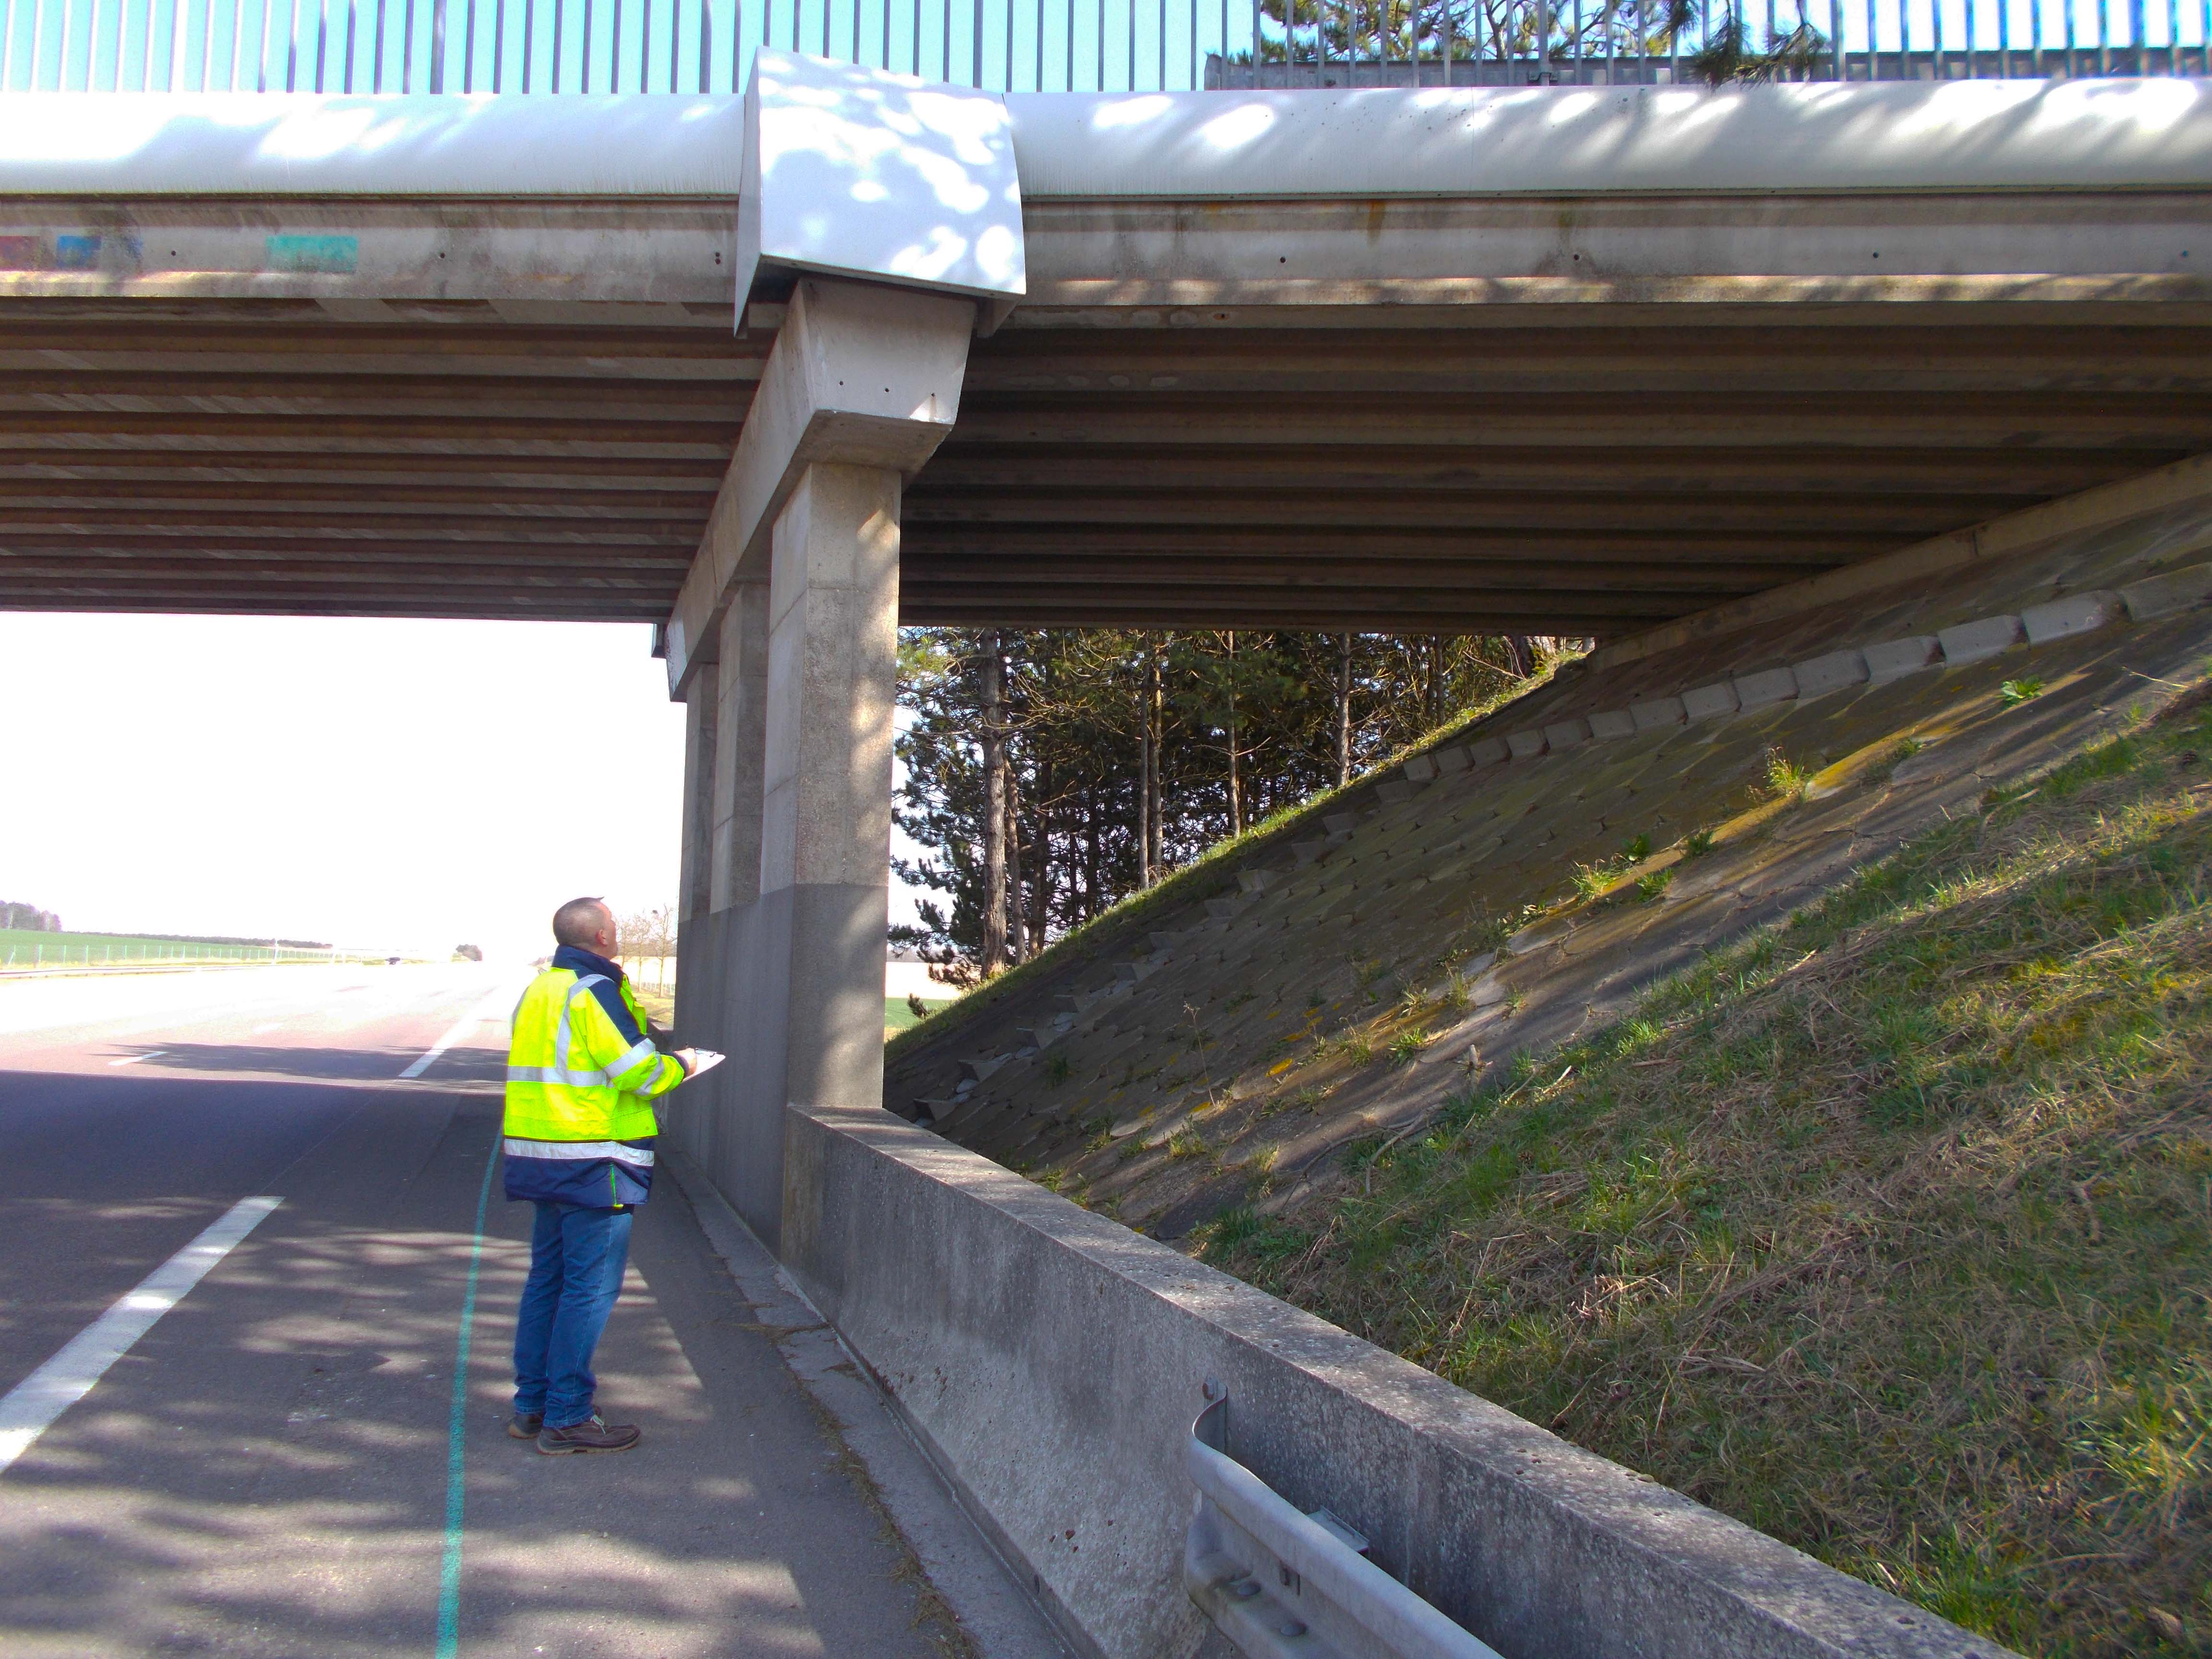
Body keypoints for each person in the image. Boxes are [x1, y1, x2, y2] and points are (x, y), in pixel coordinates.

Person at [503, 896, 699, 1455]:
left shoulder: (539, 991)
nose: (617, 932)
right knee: (588, 1289)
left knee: (548, 1280)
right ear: (601, 938)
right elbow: (638, 1072)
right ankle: (567, 1415)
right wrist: (683, 1064)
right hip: (594, 1160)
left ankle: (533, 1407)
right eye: (612, 925)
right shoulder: (594, 993)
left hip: (541, 1157)